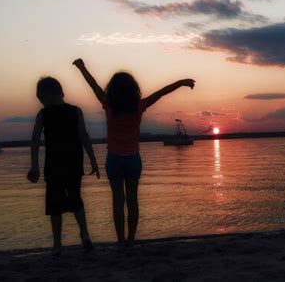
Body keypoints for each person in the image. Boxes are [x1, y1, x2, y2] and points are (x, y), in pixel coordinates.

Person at [73, 58, 195, 247]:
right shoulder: (139, 106)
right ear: (133, 90)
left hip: (114, 159)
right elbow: (161, 93)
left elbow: (94, 85)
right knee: (132, 200)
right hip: (133, 159)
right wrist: (181, 83)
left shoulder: (108, 104)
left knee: (117, 201)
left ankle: (121, 241)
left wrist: (82, 67)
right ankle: (131, 240)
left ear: (112, 90)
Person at [27, 76, 100, 256]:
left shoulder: (46, 114)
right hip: (69, 164)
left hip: (57, 165)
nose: (41, 103)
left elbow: (35, 140)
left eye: (41, 99)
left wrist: (34, 165)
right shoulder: (73, 111)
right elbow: (84, 136)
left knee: (56, 206)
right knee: (72, 201)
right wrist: (92, 158)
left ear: (48, 95)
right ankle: (79, 237)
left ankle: (62, 243)